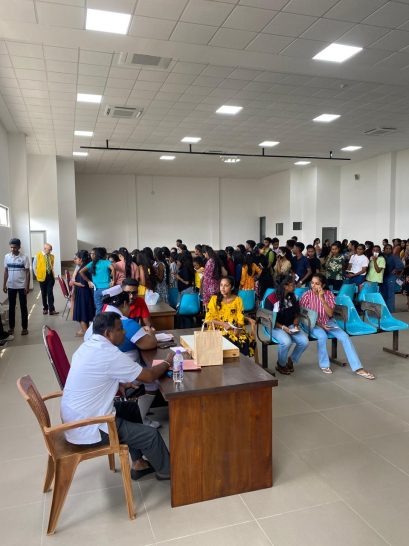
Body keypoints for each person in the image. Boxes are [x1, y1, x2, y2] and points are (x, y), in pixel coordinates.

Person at [61, 312, 171, 480]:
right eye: (120, 329)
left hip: (75, 419)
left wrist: (121, 384)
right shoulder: (109, 353)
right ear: (108, 333)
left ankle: (139, 463)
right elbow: (149, 376)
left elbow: (98, 376)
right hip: (90, 427)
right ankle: (168, 472)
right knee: (151, 435)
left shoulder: (87, 346)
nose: (124, 332)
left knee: (130, 408)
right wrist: (167, 361)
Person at [300, 274, 375, 379]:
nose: (313, 286)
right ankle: (324, 364)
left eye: (317, 283)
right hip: (312, 323)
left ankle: (358, 368)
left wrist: (322, 299)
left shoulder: (329, 294)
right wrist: (321, 325)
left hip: (328, 321)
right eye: (312, 283)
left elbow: (330, 314)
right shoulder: (307, 295)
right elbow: (304, 315)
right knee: (322, 336)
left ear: (323, 285)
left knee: (344, 337)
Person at [264, 276, 308, 374]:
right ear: (285, 286)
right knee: (286, 342)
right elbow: (269, 319)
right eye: (292, 285)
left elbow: (297, 313)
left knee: (304, 341)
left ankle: (291, 360)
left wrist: (296, 323)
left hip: (290, 325)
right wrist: (283, 328)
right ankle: (281, 365)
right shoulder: (271, 299)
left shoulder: (294, 297)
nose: (295, 286)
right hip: (274, 326)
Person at [205, 276, 256, 357]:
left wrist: (238, 328)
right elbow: (208, 319)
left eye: (226, 285)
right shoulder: (214, 299)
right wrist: (223, 324)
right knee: (228, 340)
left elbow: (240, 318)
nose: (223, 288)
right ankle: (229, 362)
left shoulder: (238, 300)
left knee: (243, 341)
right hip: (217, 330)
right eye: (221, 285)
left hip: (234, 329)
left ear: (232, 287)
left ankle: (239, 362)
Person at [3, 238, 30, 335]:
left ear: (19, 247)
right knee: (11, 307)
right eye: (11, 247)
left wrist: (27, 286)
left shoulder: (24, 257)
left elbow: (27, 272)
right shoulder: (7, 257)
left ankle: (24, 328)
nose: (12, 249)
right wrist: (4, 284)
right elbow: (6, 271)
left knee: (23, 307)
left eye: (14, 247)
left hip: (22, 286)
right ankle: (11, 328)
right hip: (11, 286)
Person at [80, 247, 114, 314]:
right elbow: (113, 269)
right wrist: (113, 280)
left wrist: (89, 281)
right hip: (107, 289)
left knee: (98, 308)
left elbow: (81, 272)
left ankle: (98, 320)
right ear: (104, 255)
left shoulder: (92, 263)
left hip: (97, 290)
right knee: (108, 308)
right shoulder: (106, 262)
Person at [71, 250, 95, 336]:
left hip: (83, 294)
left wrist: (73, 282)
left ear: (81, 259)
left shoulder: (83, 269)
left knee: (82, 315)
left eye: (76, 258)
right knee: (85, 314)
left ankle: (86, 335)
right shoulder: (86, 266)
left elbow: (83, 284)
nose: (75, 260)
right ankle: (86, 333)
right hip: (85, 293)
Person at [33, 242, 58, 315]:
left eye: (51, 250)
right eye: (49, 250)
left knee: (50, 293)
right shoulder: (37, 255)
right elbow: (34, 267)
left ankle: (51, 310)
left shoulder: (51, 256)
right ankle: (45, 308)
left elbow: (51, 266)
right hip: (41, 277)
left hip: (50, 276)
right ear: (45, 248)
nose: (50, 251)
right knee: (44, 293)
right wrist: (37, 276)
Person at [380, 244, 404, 312]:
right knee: (383, 293)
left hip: (390, 277)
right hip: (382, 277)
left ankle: (390, 310)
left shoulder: (394, 257)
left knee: (390, 294)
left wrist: (396, 269)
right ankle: (384, 309)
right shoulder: (381, 256)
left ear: (391, 250)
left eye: (389, 249)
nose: (388, 250)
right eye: (386, 248)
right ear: (384, 249)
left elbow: (401, 265)